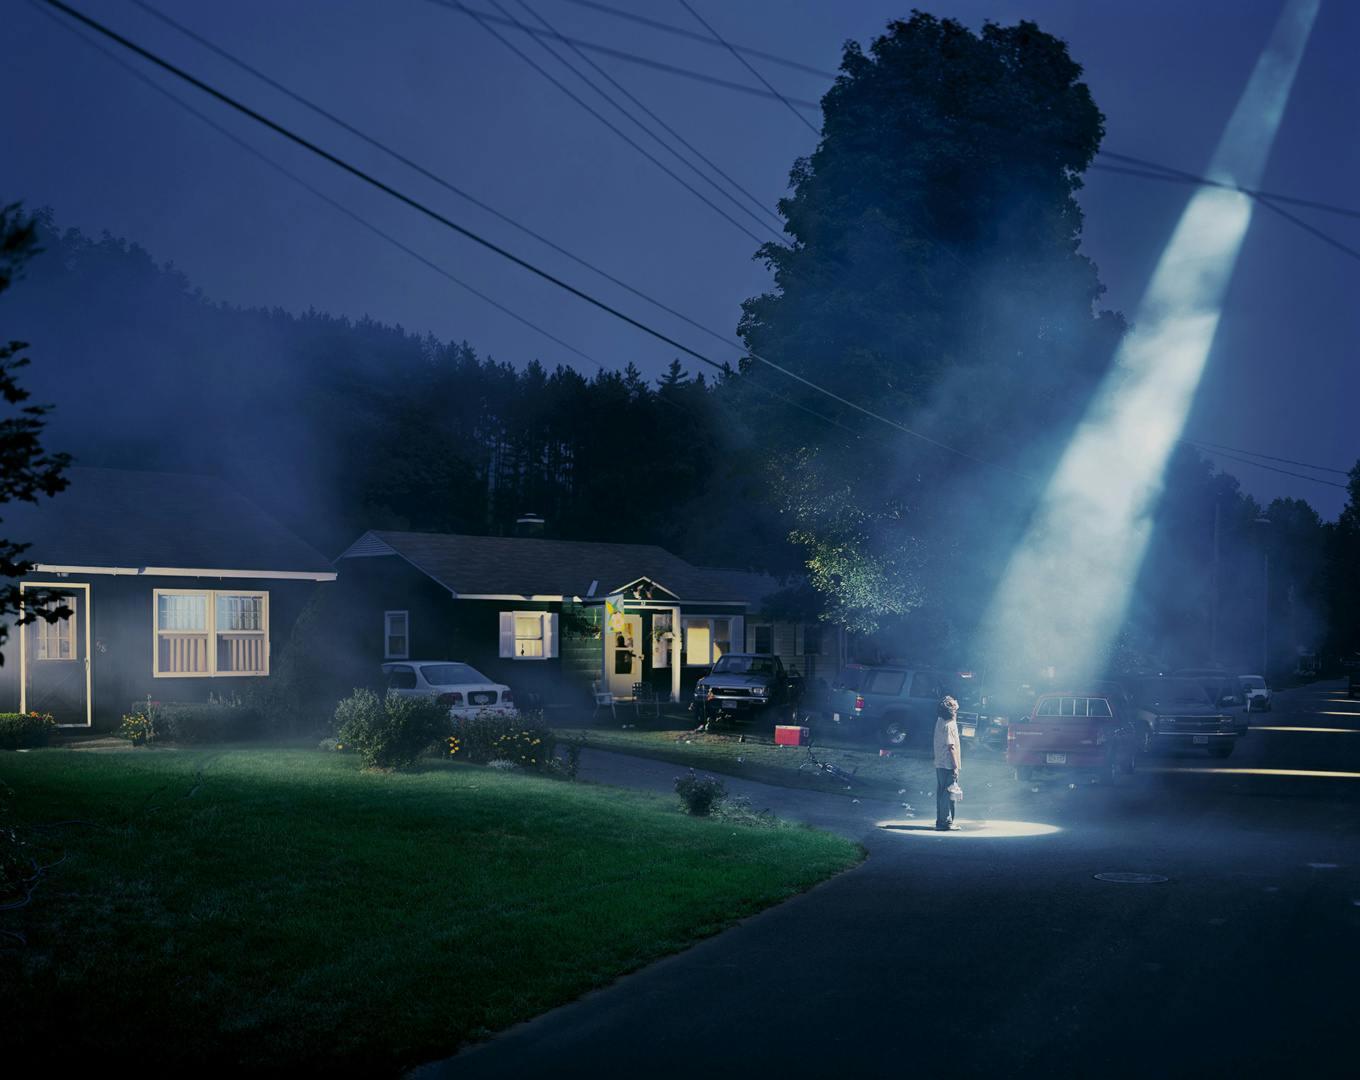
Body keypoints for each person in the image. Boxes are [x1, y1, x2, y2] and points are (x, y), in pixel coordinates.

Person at [934, 695, 962, 831]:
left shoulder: (940, 721)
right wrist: (956, 766)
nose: (956, 712)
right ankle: (945, 822)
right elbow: (951, 747)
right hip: (948, 764)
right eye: (955, 710)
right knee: (948, 793)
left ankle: (941, 820)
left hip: (939, 763)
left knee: (941, 792)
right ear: (951, 712)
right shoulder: (950, 725)